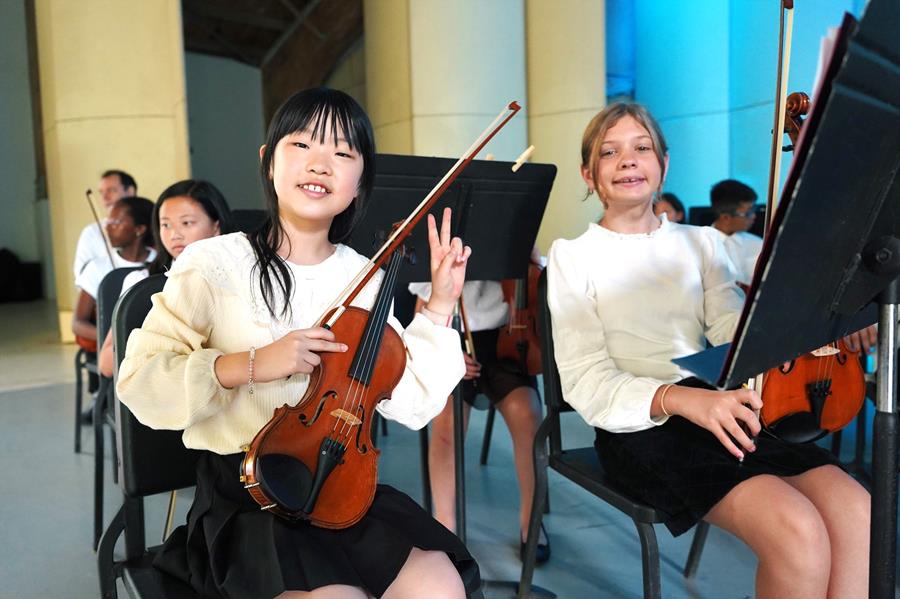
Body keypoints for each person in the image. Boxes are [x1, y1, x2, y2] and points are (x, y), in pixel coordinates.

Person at [117, 88, 481, 599]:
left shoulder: (365, 278)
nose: (320, 164)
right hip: (246, 498)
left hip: (339, 485)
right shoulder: (211, 264)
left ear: (359, 183)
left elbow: (410, 403)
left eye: (342, 153)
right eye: (302, 144)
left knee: (440, 587)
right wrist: (254, 364)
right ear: (269, 162)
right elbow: (139, 380)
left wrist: (440, 305)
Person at [546, 102, 870, 598]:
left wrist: (806, 328)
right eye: (609, 152)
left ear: (665, 164)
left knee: (857, 511)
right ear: (588, 175)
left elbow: (729, 331)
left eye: (642, 147)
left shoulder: (701, 243)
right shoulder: (573, 256)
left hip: (721, 407)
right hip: (640, 426)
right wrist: (682, 400)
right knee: (798, 532)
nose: (627, 160)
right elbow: (587, 379)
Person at [409, 276, 547, 562]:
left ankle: (531, 522)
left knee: (529, 415)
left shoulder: (509, 239)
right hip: (452, 340)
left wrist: (530, 257)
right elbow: (421, 314)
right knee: (446, 426)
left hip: (509, 339)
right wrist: (445, 349)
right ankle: (446, 525)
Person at [97, 180, 233, 377]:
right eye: (166, 225)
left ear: (216, 226)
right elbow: (107, 364)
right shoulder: (141, 282)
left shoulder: (238, 276)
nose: (174, 235)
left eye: (187, 223)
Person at [71, 196, 155, 352]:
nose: (108, 228)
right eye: (108, 223)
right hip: (113, 347)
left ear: (139, 229)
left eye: (116, 223)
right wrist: (117, 337)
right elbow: (77, 323)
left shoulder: (160, 262)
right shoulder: (97, 267)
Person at [73, 170, 137, 279]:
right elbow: (81, 275)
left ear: (130, 191)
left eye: (111, 190)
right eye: (101, 192)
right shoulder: (92, 232)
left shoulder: (152, 224)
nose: (105, 198)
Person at [708, 179, 763, 286]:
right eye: (748, 213)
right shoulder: (703, 245)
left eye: (754, 209)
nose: (753, 216)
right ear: (726, 218)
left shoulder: (758, 243)